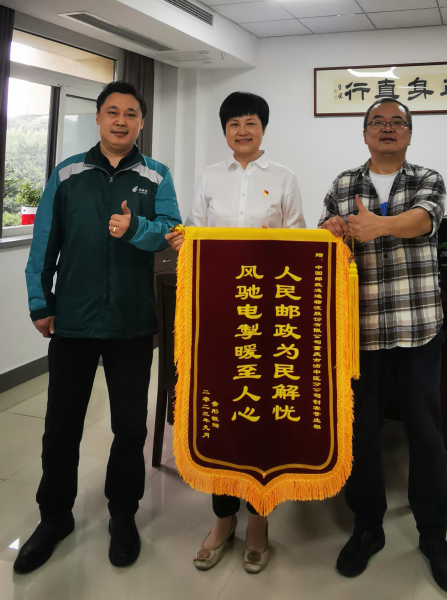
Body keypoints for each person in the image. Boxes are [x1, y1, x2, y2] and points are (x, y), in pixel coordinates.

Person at [15, 81, 181, 574]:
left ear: (141, 122)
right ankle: (54, 517)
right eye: (112, 111)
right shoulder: (68, 173)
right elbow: (45, 242)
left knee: (129, 427)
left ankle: (123, 515)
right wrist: (40, 302)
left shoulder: (156, 175)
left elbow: (171, 234)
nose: (121, 120)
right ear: (98, 118)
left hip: (132, 322)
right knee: (60, 427)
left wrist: (135, 229)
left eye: (131, 113)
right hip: (74, 321)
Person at [318, 98, 447, 594]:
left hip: (416, 327)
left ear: (409, 134)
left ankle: (433, 535)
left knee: (426, 435)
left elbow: (424, 220)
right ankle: (367, 527)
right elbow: (325, 239)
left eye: (397, 122)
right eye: (377, 122)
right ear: (364, 134)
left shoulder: (427, 178)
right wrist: (333, 230)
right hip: (360, 333)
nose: (387, 128)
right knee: (361, 435)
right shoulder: (343, 184)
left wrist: (378, 225)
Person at [165, 91, 306, 573]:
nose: (242, 131)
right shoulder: (209, 177)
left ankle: (259, 521)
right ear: (224, 131)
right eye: (233, 124)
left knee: (261, 418)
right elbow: (195, 237)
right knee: (221, 415)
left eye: (250, 123)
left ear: (263, 128)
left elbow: (298, 243)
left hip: (268, 318)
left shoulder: (284, 178)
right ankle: (222, 520)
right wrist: (182, 239)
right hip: (220, 313)